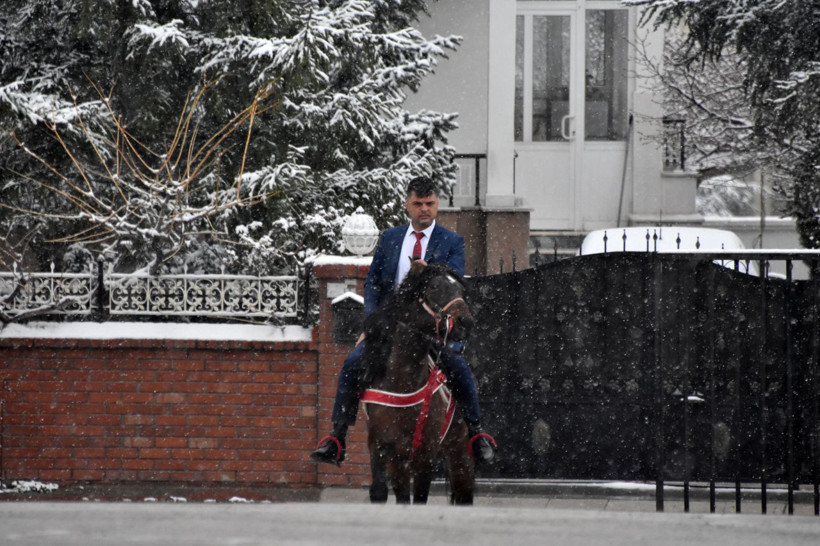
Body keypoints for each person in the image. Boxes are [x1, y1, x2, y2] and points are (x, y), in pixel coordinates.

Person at [310, 177, 497, 466]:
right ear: (408, 205)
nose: (425, 209)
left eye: (430, 203)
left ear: (437, 204)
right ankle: (337, 438)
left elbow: (454, 276)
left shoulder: (451, 241)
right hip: (389, 325)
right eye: (418, 204)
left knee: (458, 365)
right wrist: (370, 324)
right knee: (352, 363)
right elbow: (373, 282)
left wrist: (428, 269)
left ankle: (477, 433)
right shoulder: (391, 238)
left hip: (431, 326)